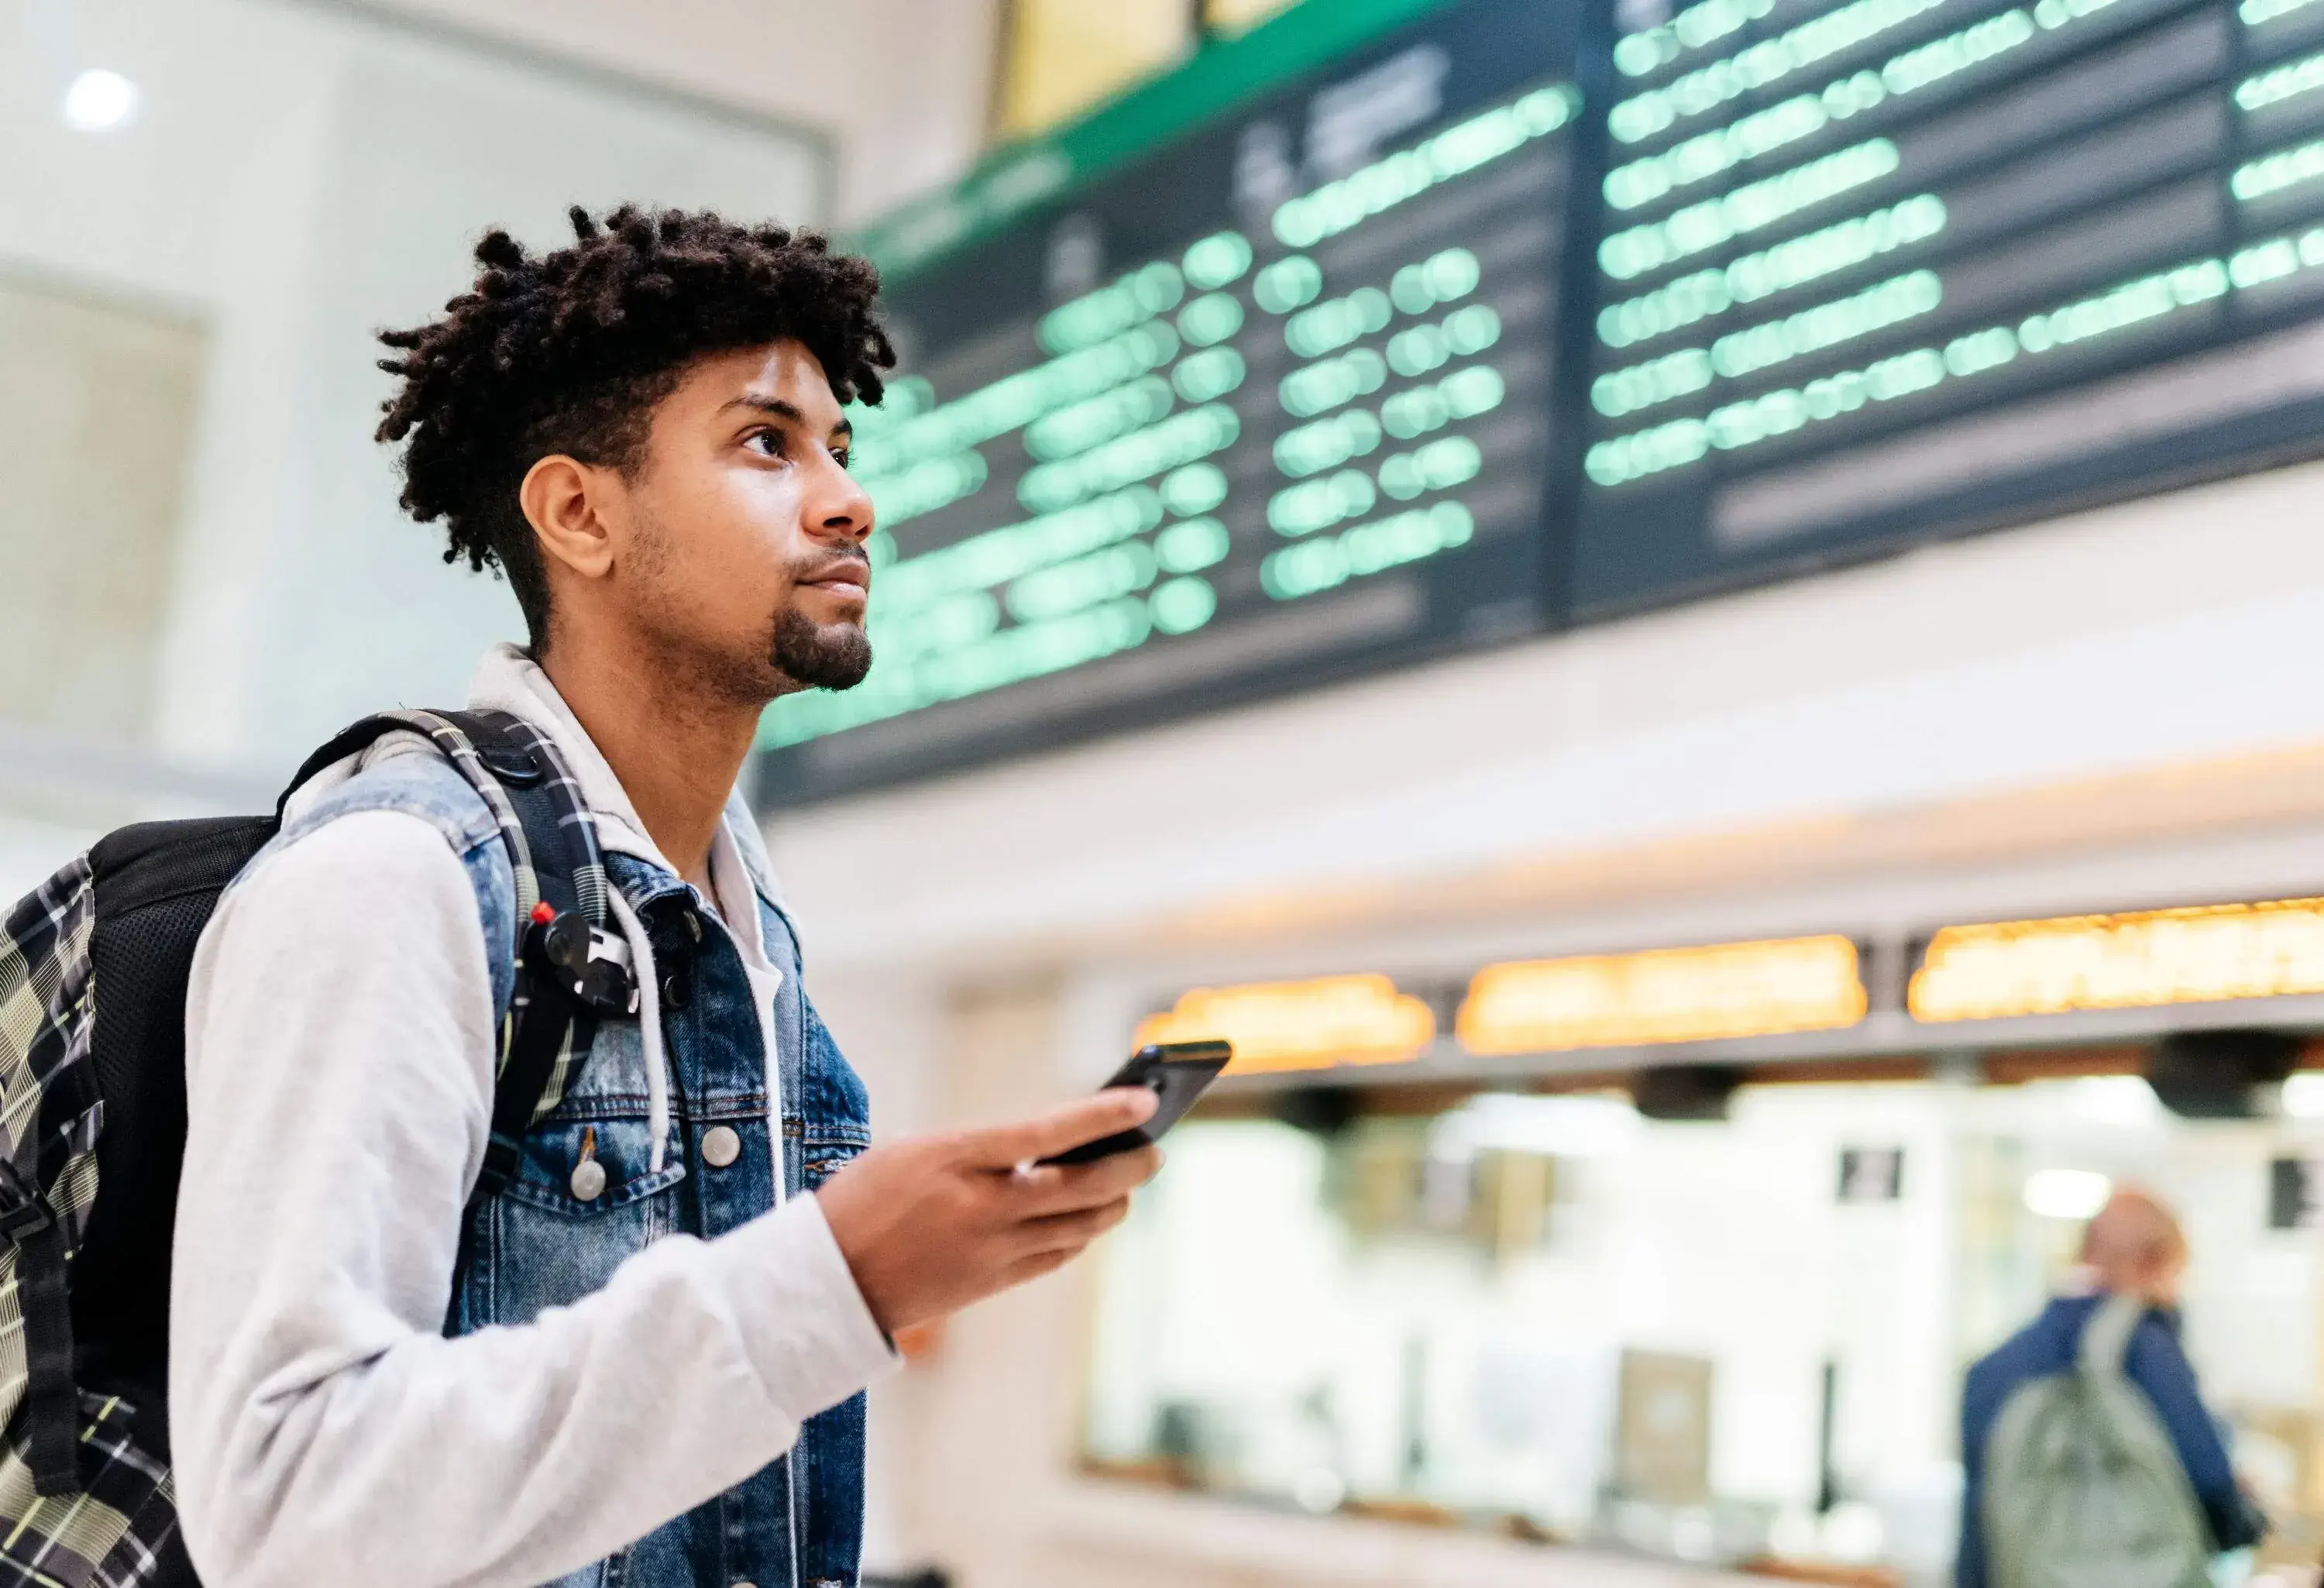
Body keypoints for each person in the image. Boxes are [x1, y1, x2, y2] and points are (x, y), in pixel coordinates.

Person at [167, 206, 1163, 1588]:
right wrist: (837, 1281)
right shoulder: (390, 878)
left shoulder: (738, 933)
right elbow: (281, 1511)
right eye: (766, 444)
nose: (847, 498)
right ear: (581, 512)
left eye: (840, 448)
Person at [1955, 1186, 2264, 1588]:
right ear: (2155, 1263)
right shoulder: (2147, 1348)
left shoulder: (1990, 1371)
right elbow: (2211, 1486)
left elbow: (1979, 1532)